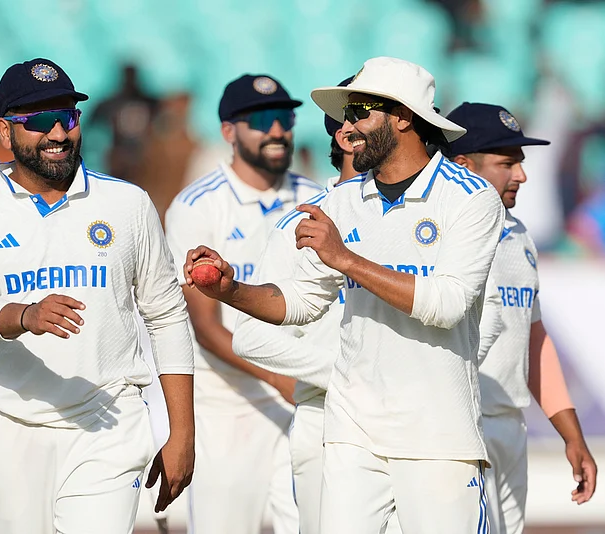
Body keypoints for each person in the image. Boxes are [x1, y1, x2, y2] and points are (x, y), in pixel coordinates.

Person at [183, 57, 505, 534]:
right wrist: (231, 288)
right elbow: (300, 300)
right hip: (352, 431)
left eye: (360, 112)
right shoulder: (342, 202)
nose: (347, 127)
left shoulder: (471, 197)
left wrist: (347, 260)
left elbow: (448, 303)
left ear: (402, 116)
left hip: (436, 433)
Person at [0, 58, 195, 534]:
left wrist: (182, 431)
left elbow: (167, 315)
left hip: (109, 418)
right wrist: (25, 315)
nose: (58, 133)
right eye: (37, 121)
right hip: (10, 421)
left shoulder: (127, 204)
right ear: (4, 132)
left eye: (67, 118)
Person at [231, 75, 402, 534]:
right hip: (326, 423)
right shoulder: (302, 223)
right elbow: (249, 336)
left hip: (406, 425)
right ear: (346, 135)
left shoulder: (412, 218)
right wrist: (344, 374)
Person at [165, 73, 321, 534]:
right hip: (229, 408)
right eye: (262, 120)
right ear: (229, 132)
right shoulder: (197, 207)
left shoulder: (317, 199)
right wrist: (279, 378)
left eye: (285, 118)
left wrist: (300, 381)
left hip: (305, 402)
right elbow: (206, 328)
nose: (277, 130)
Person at [446, 102, 598, 534]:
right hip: (460, 431)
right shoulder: (439, 235)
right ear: (462, 165)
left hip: (510, 429)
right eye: (506, 163)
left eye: (521, 162)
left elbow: (532, 337)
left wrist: (572, 434)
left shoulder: (519, 235)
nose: (521, 175)